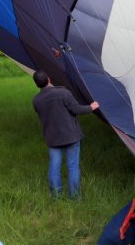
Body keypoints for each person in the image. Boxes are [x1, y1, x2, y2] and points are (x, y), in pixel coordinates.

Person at [32, 70, 99, 198]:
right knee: (73, 166)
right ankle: (74, 197)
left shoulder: (36, 101)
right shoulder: (63, 93)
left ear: (37, 84)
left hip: (52, 138)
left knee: (54, 166)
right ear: (49, 79)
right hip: (71, 136)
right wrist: (92, 107)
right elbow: (77, 109)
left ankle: (56, 196)